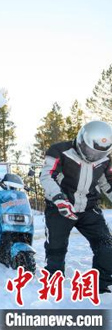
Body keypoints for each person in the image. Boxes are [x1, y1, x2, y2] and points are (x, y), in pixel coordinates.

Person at [40, 120, 112, 292]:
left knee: (107, 246)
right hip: (60, 206)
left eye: (98, 154)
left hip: (88, 207)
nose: (93, 157)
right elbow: (46, 176)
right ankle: (53, 283)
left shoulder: (104, 160)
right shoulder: (59, 151)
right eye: (90, 151)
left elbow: (107, 184)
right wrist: (58, 198)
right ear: (81, 140)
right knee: (56, 248)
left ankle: (104, 285)